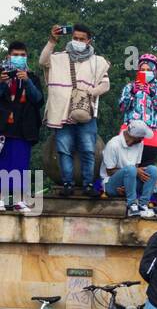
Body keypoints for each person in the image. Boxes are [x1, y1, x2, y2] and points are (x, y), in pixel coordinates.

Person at [40, 22, 110, 196]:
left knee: (88, 149)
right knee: (63, 150)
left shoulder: (97, 62)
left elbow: (106, 84)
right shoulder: (59, 57)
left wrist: (90, 93)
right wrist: (52, 40)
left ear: (89, 41)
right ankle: (67, 185)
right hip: (62, 112)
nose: (77, 41)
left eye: (81, 39)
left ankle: (87, 185)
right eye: (75, 38)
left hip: (85, 112)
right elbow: (42, 61)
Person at [0, 41, 43, 212]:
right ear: (8, 56)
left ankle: (18, 200)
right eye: (15, 55)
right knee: (3, 165)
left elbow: (38, 100)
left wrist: (27, 82)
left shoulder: (32, 77)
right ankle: (2, 199)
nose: (19, 58)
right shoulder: (2, 75)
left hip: (24, 129)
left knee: (20, 164)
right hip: (3, 128)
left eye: (22, 55)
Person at [99, 119, 157, 218]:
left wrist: (129, 184)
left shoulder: (140, 144)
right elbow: (109, 171)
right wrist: (133, 172)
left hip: (129, 184)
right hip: (111, 183)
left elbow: (136, 167)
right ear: (134, 137)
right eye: (141, 138)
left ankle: (143, 205)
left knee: (153, 170)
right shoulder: (113, 144)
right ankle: (132, 206)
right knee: (130, 169)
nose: (142, 140)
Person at [118, 53, 157, 152]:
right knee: (128, 165)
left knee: (148, 166)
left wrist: (152, 93)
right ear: (138, 70)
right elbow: (122, 107)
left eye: (149, 70)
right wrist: (132, 93)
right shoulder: (129, 87)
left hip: (152, 135)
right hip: (130, 134)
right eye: (142, 69)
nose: (145, 72)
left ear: (155, 72)